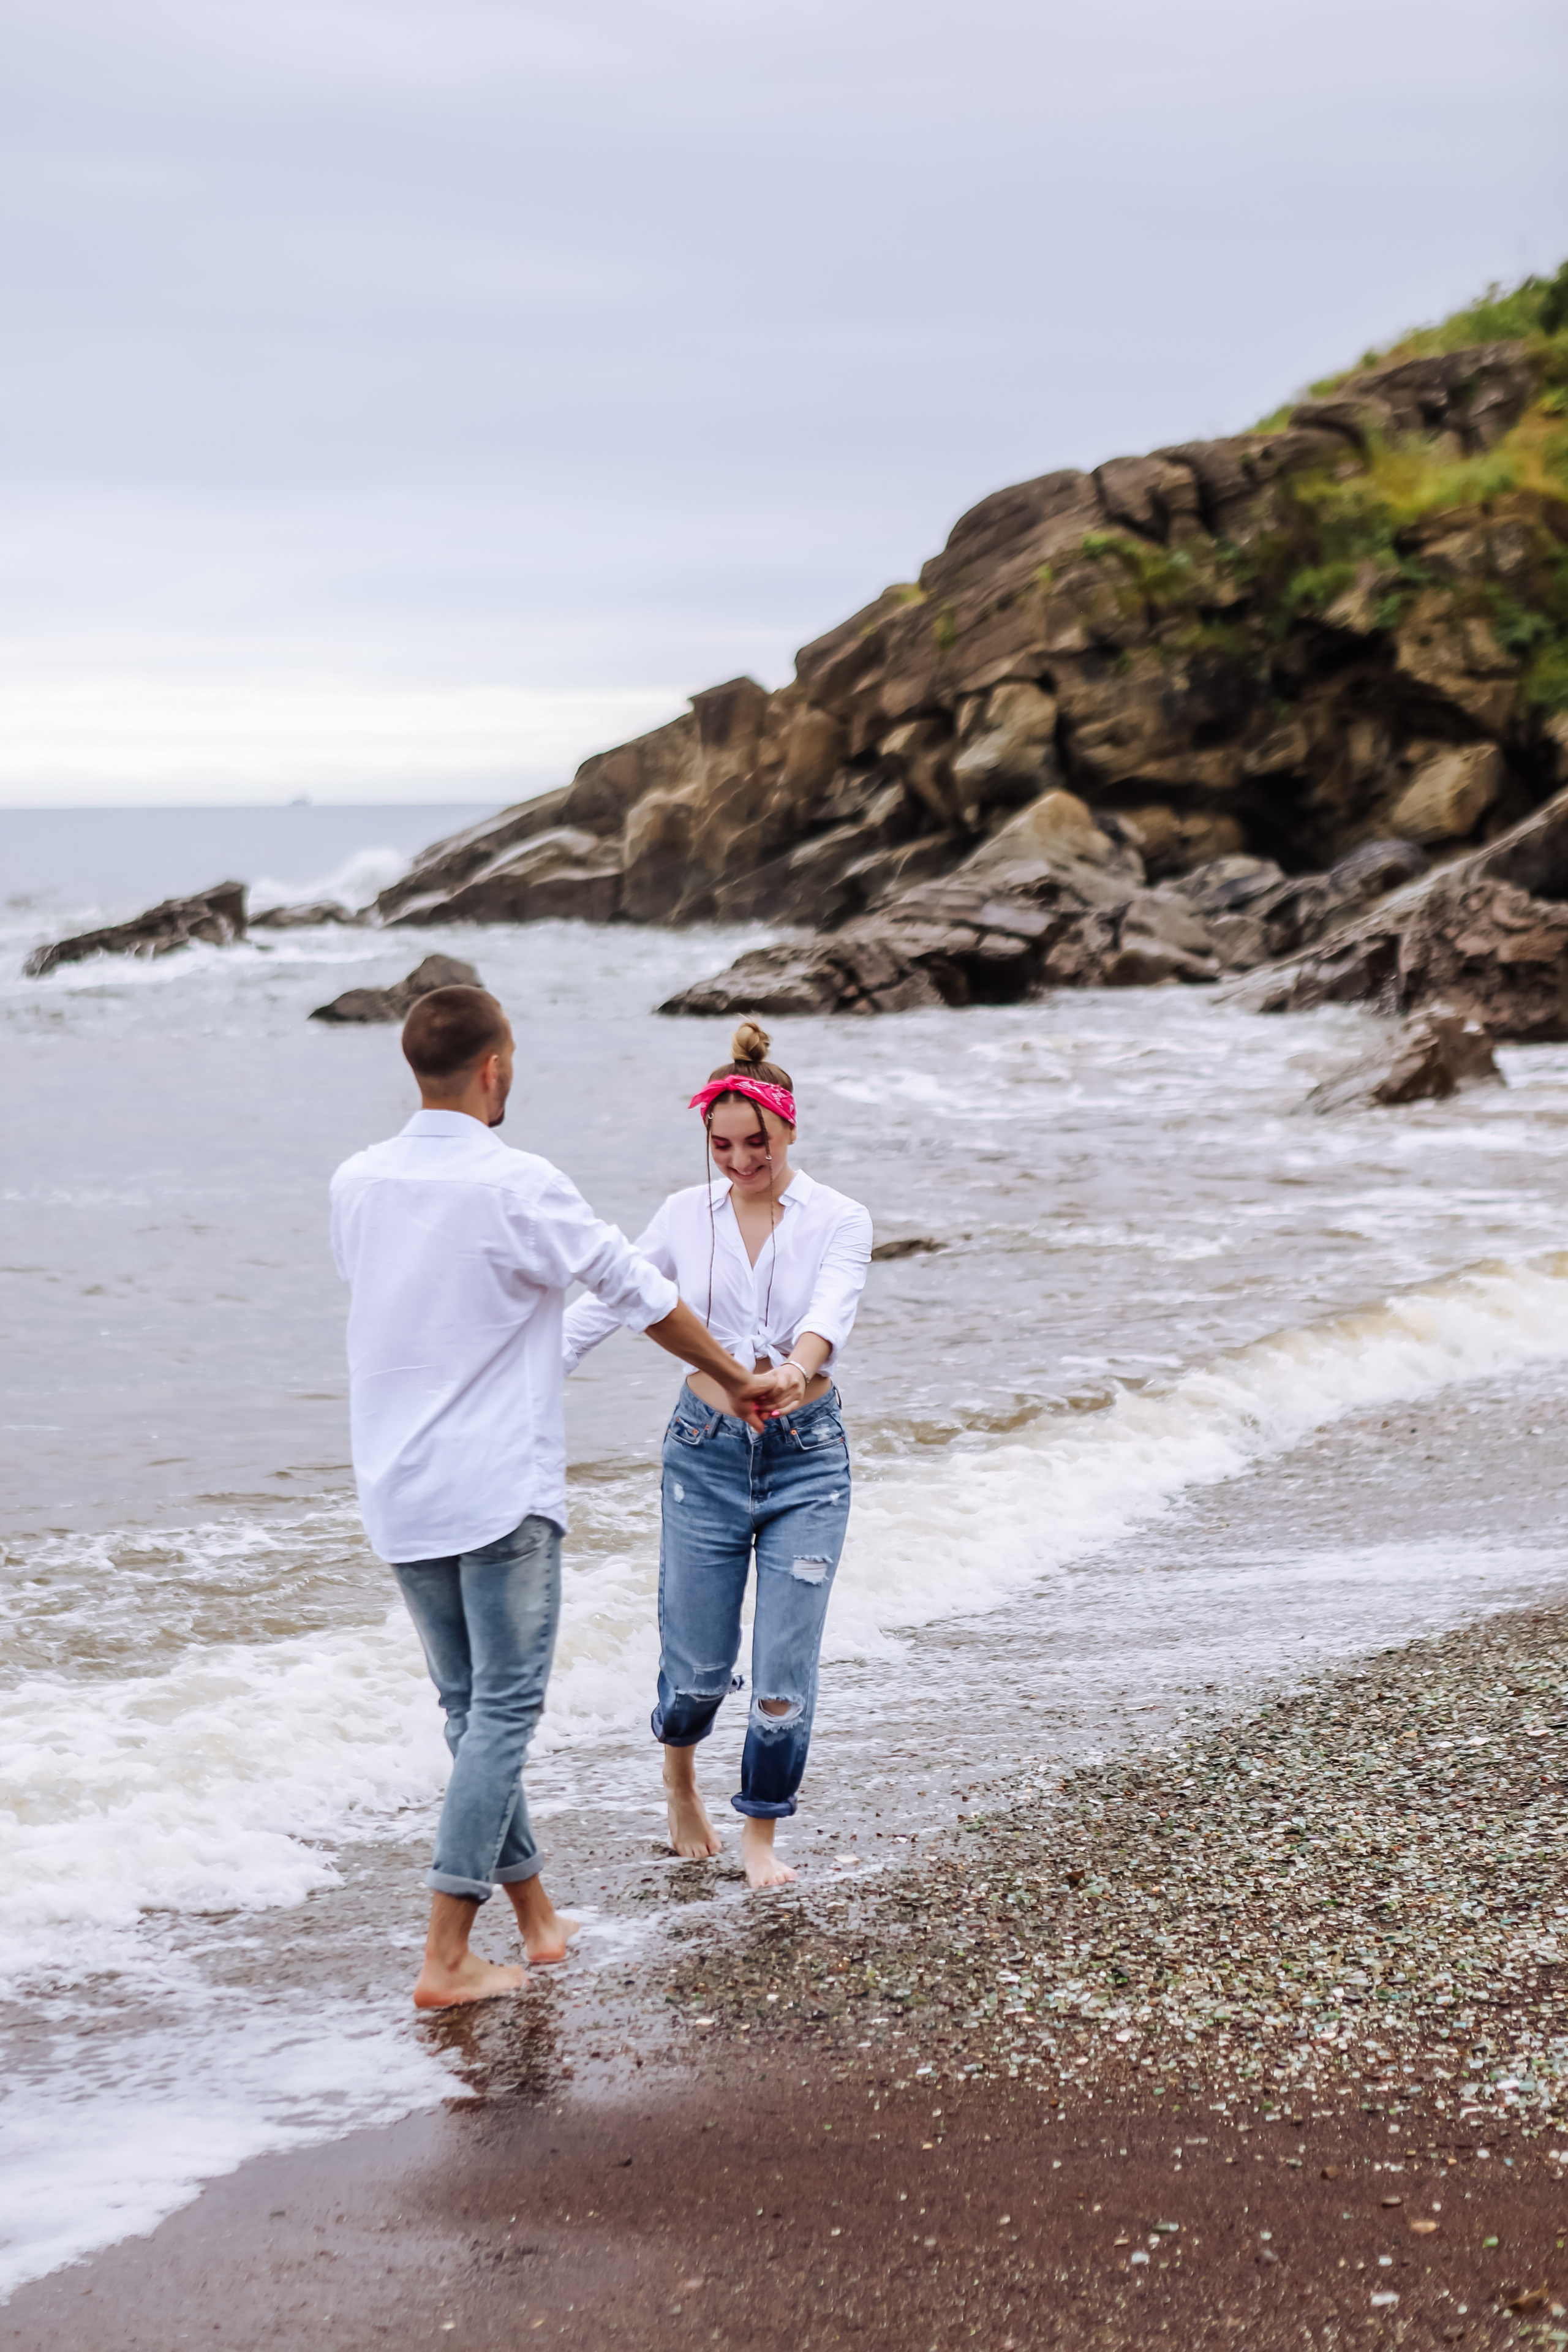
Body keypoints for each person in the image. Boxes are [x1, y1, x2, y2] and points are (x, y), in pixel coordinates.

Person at [330, 985, 779, 2007]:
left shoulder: (356, 1181)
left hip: (395, 1487)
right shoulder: (516, 1182)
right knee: (503, 1712)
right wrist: (740, 1375)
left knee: (468, 1710)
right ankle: (446, 1953)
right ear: (495, 1068)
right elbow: (640, 1294)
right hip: (496, 1488)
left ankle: (535, 1921)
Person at [564, 1019, 872, 1889]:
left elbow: (831, 1314)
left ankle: (762, 1835)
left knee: (782, 1673)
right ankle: (679, 1775)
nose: (740, 1161)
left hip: (808, 1459)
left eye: (757, 1143)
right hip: (703, 1455)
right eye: (722, 1145)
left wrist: (791, 1373)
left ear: (790, 1130)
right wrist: (525, 1374)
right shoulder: (678, 1218)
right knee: (697, 1670)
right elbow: (610, 1303)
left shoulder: (841, 1218)